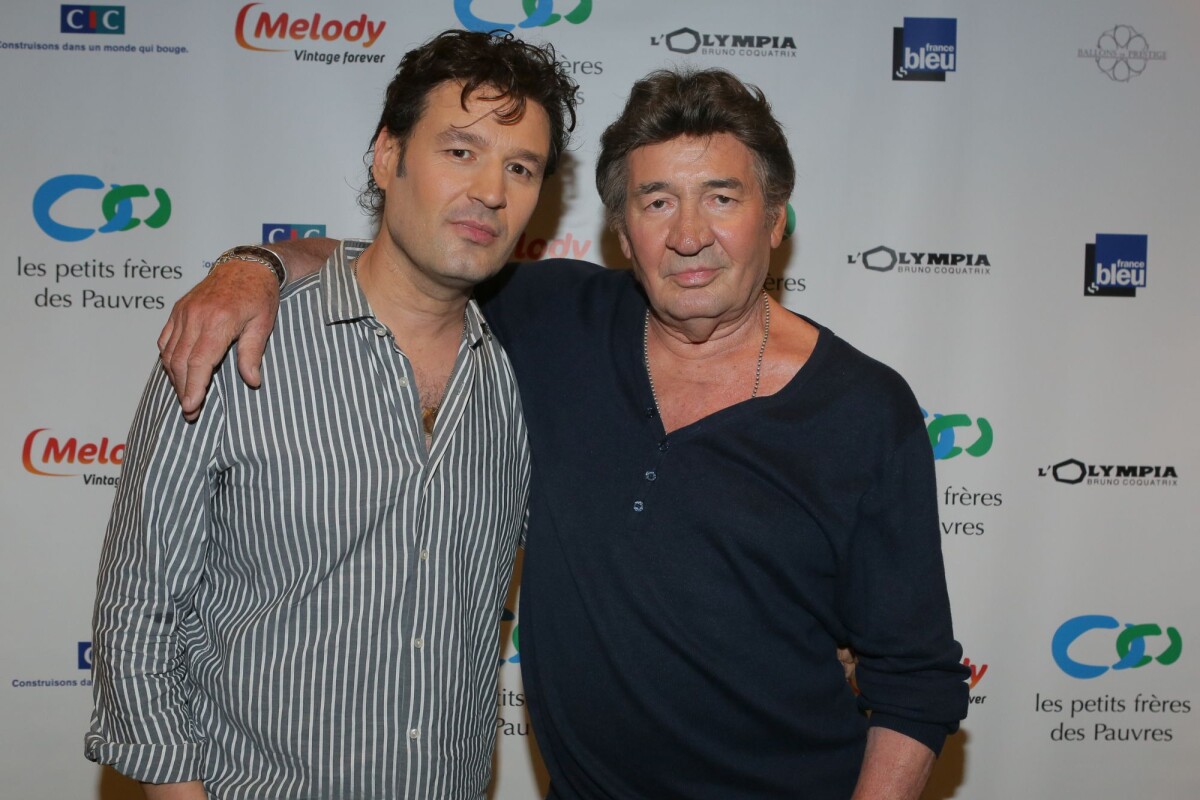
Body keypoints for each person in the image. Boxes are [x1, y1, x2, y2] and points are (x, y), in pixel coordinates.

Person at [157, 69, 968, 799]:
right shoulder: (552, 319)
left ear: (777, 218)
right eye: (656, 202)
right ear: (621, 229)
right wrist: (251, 267)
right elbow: (401, 261)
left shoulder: (864, 409)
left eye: (722, 197)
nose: (688, 234)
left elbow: (916, 681)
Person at [86, 30, 577, 800]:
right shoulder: (242, 337)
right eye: (460, 151)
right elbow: (140, 603)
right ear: (388, 157)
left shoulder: (529, 371)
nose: (490, 190)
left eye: (520, 168)